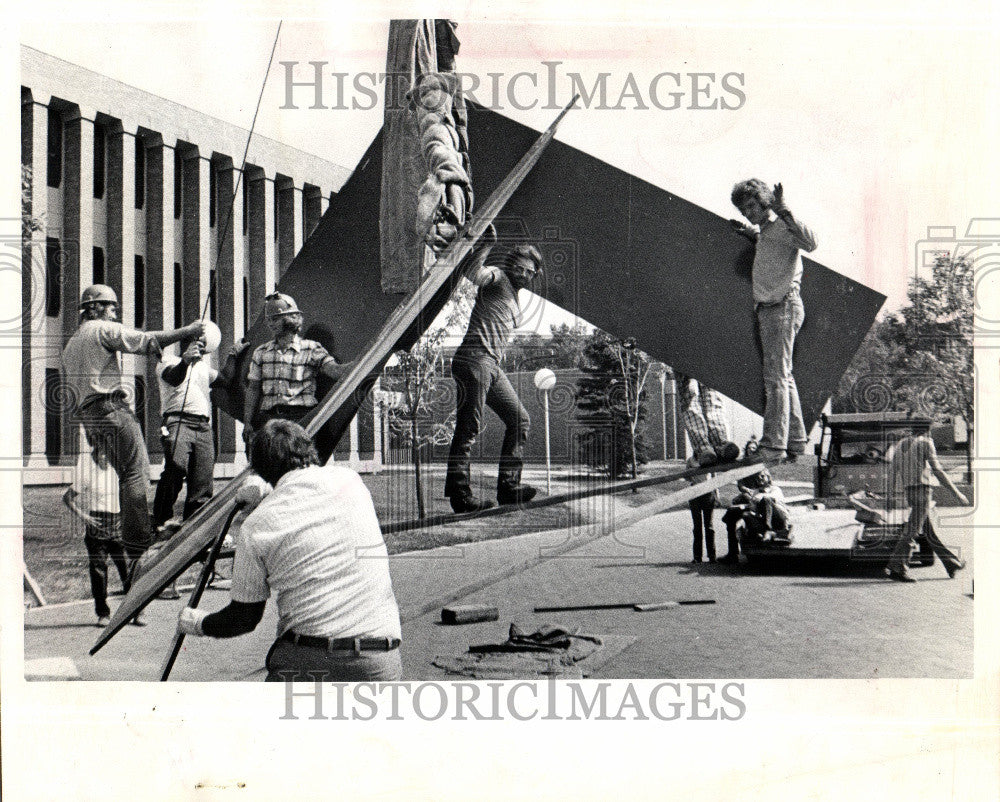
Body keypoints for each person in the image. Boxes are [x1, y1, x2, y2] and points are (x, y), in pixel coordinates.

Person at [176, 419, 403, 682]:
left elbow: (244, 618)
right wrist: (269, 491)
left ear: (258, 469)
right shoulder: (351, 481)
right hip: (379, 660)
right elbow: (304, 499)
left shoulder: (256, 525)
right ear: (310, 450)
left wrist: (196, 622)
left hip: (309, 658)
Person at [60, 284, 205, 578]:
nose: (115, 313)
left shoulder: (71, 344)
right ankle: (139, 542)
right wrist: (187, 330)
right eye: (111, 307)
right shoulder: (101, 329)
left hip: (91, 415)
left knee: (126, 474)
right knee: (136, 472)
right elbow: (145, 340)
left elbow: (74, 393)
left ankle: (135, 539)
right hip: (112, 408)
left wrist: (91, 430)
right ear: (95, 308)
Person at [444, 234, 544, 513]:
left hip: (490, 365)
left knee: (520, 419)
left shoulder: (514, 294)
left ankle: (509, 488)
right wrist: (487, 243)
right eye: (520, 268)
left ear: (534, 274)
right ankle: (461, 497)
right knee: (469, 428)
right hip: (474, 359)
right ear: (511, 265)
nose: (523, 274)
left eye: (529, 271)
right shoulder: (498, 277)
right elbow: (473, 273)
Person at [730, 180, 818, 464]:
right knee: (784, 377)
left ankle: (773, 445)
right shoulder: (768, 232)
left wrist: (785, 211)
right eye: (744, 210)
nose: (748, 213)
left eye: (752, 206)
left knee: (775, 379)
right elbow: (771, 249)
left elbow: (811, 243)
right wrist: (750, 235)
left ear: (765, 201)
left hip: (781, 307)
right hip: (774, 309)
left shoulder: (781, 225)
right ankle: (795, 440)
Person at [153, 333, 247, 533]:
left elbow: (225, 380)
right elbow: (174, 378)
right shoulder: (168, 361)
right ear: (185, 344)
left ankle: (194, 527)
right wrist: (186, 361)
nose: (200, 349)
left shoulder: (204, 368)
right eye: (197, 344)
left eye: (204, 346)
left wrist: (233, 355)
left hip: (203, 425)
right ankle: (161, 521)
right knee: (175, 469)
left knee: (202, 480)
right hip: (178, 421)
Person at [242, 292, 351, 447]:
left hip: (301, 419)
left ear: (291, 319)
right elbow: (253, 389)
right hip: (271, 420)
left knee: (300, 464)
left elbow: (334, 371)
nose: (271, 324)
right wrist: (247, 422)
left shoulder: (311, 348)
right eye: (269, 319)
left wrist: (364, 360)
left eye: (275, 319)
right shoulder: (261, 352)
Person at [884, 420, 968, 582]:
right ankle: (897, 567)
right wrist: (957, 493)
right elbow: (938, 471)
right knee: (912, 531)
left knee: (929, 532)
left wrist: (889, 496)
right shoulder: (926, 442)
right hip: (923, 491)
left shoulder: (900, 444)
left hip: (910, 492)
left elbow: (892, 472)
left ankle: (951, 563)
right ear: (927, 430)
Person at [62, 434, 129, 627]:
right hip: (96, 526)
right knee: (98, 571)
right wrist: (84, 516)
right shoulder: (87, 474)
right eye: (101, 455)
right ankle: (103, 613)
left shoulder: (119, 472)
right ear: (95, 455)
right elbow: (67, 498)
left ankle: (136, 610)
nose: (104, 459)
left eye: (108, 455)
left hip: (117, 523)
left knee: (127, 569)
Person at [718, 468, 791, 564]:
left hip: (778, 520)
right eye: (757, 477)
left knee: (766, 499)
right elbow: (753, 507)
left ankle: (768, 530)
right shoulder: (756, 491)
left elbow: (768, 499)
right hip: (764, 520)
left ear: (768, 478)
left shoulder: (775, 489)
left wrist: (755, 498)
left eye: (762, 476)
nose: (759, 478)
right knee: (741, 513)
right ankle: (733, 553)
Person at [685, 456, 717, 563]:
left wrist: (717, 494)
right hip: (695, 493)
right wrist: (692, 474)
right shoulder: (690, 460)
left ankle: (712, 555)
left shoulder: (709, 458)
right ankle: (697, 556)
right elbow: (686, 477)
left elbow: (714, 477)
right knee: (697, 526)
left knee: (709, 526)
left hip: (708, 493)